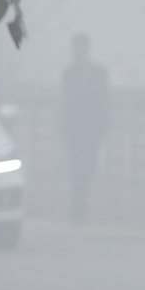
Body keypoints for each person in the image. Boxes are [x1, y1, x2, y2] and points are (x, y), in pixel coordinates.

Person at [61, 33, 109, 224]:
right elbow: (64, 102)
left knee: (89, 167)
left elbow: (105, 101)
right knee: (75, 167)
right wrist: (62, 126)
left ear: (87, 49)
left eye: (81, 47)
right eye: (75, 47)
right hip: (73, 129)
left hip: (92, 129)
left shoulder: (99, 73)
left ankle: (82, 204)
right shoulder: (68, 73)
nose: (78, 51)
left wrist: (104, 125)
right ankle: (77, 207)